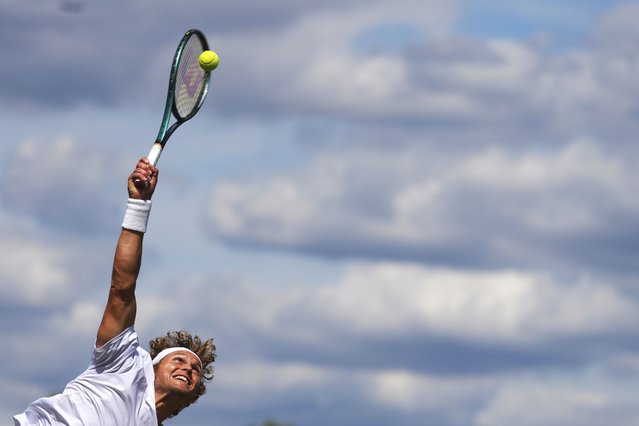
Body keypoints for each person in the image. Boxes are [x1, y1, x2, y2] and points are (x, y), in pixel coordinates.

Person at [14, 158, 216, 426]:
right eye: (180, 359)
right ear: (153, 367)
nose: (188, 369)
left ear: (193, 394)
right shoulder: (123, 361)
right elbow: (122, 288)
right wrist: (139, 205)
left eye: (195, 371)